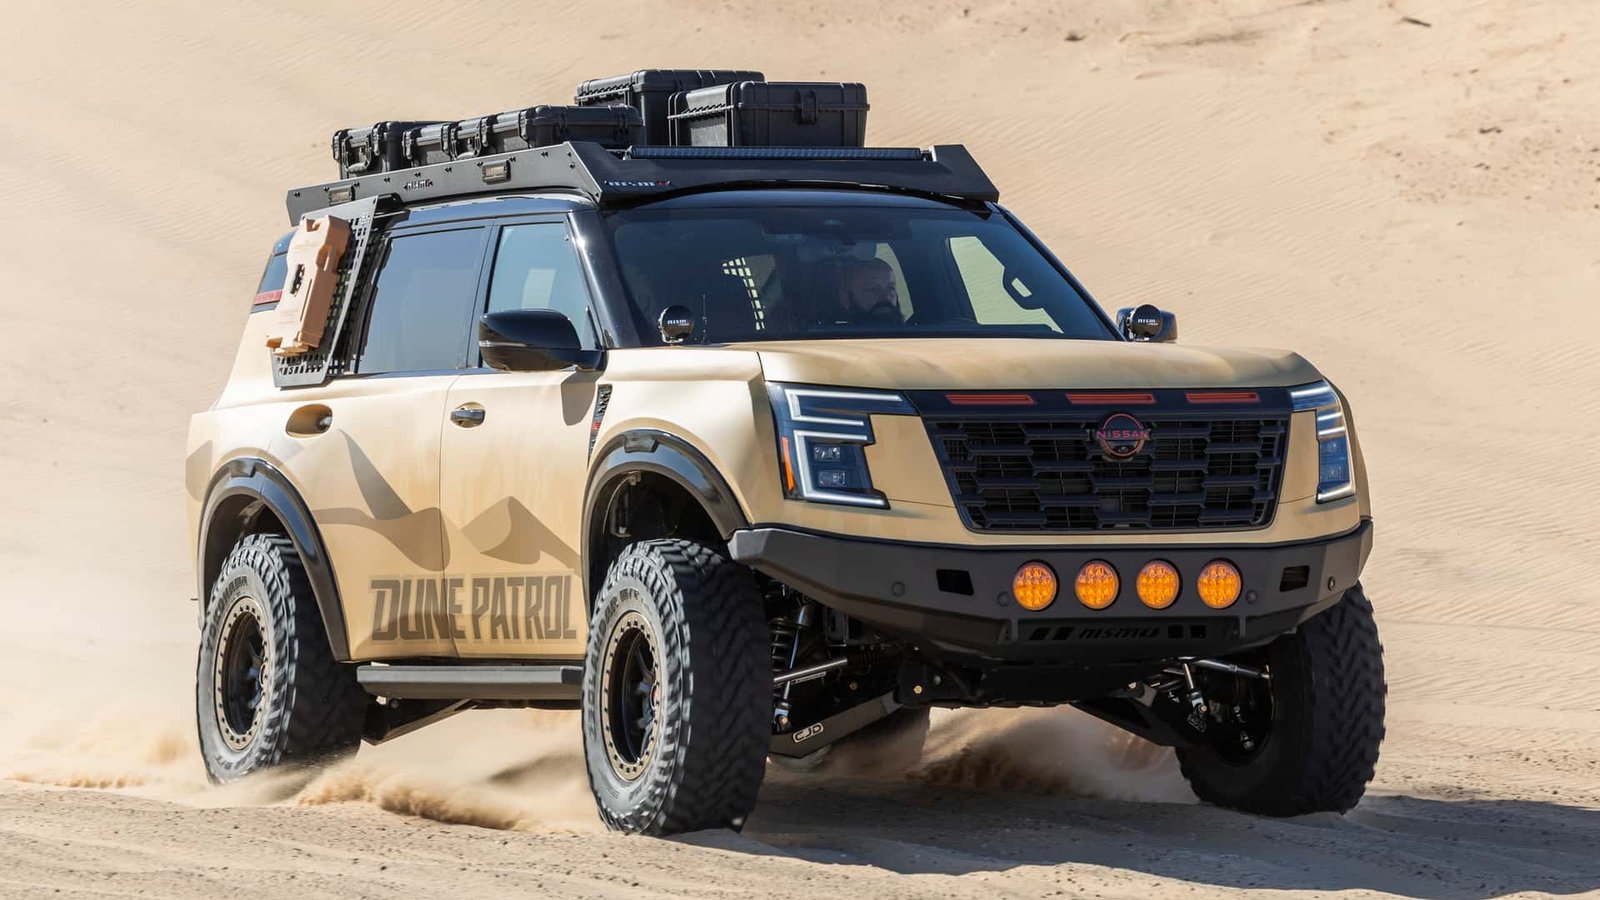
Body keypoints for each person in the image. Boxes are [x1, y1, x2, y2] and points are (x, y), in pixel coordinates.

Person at [828, 257, 904, 325]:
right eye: (873, 289)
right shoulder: (825, 338)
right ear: (844, 297)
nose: (886, 296)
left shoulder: (913, 336)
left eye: (891, 288)